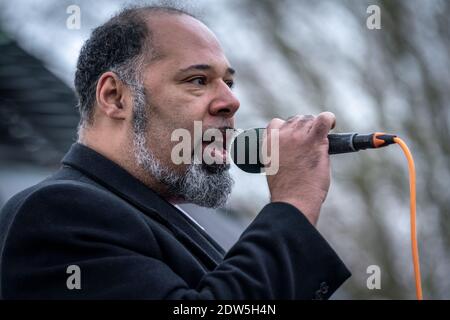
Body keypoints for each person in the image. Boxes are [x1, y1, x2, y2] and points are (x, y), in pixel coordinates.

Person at [0, 4, 350, 299]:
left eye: (228, 82)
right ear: (114, 97)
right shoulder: (59, 213)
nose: (231, 101)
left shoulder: (164, 217)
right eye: (198, 80)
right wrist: (293, 204)